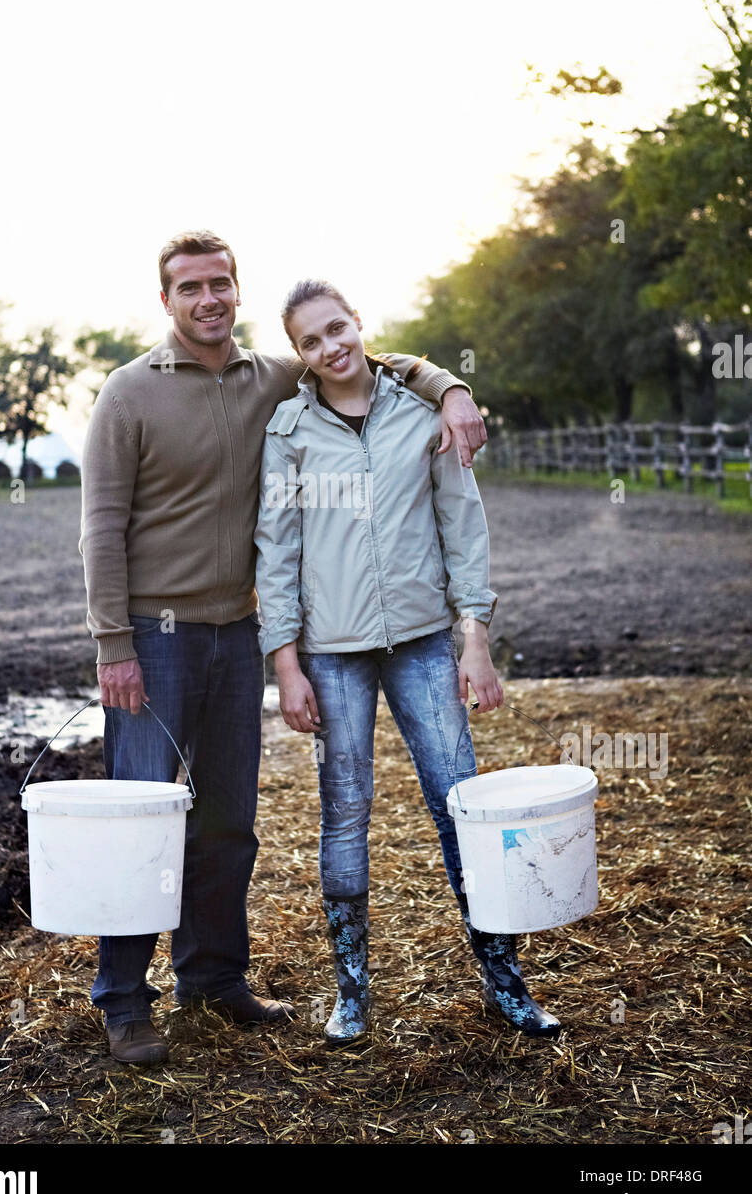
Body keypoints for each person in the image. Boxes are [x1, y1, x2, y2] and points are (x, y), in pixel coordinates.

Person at [78, 231, 487, 1065]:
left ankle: (214, 978)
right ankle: (123, 998)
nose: (208, 300)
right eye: (189, 288)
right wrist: (112, 644)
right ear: (166, 301)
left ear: (236, 289)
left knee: (228, 819)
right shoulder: (128, 394)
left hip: (238, 631)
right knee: (141, 819)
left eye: (220, 284)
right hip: (152, 640)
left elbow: (367, 360)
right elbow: (99, 528)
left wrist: (449, 387)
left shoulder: (274, 377)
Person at [254, 279, 561, 1045]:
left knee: (462, 806)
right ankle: (351, 991)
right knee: (345, 813)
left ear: (359, 325)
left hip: (425, 644)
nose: (331, 348)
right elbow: (276, 553)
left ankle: (505, 982)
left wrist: (476, 637)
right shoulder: (289, 432)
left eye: (338, 329)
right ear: (300, 355)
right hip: (333, 655)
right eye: (312, 341)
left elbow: (464, 525)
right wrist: (285, 665)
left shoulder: (422, 414)